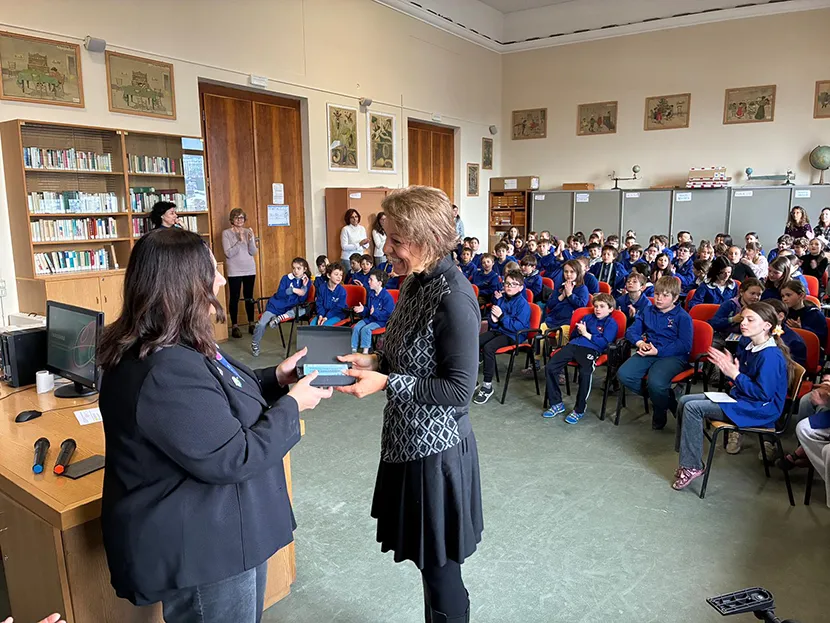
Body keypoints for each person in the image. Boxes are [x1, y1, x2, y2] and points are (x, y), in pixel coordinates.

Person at [97, 228, 331, 622]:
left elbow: (216, 397)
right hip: (206, 549)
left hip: (221, 531)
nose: (222, 280)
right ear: (184, 286)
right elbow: (233, 456)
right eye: (212, 272)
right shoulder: (164, 370)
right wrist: (294, 405)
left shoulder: (175, 344)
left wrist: (277, 378)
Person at [336, 186, 483, 622]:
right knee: (427, 565)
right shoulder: (417, 283)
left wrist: (386, 382)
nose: (387, 248)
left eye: (396, 239)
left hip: (435, 455)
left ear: (427, 240)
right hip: (406, 442)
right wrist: (375, 359)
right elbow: (409, 355)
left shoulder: (455, 300)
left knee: (441, 573)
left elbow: (458, 390)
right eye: (388, 237)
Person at [672, 302, 790, 491]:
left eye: (750, 320)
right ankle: (687, 457)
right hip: (744, 400)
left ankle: (692, 465)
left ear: (767, 325)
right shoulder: (752, 346)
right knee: (685, 401)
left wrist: (734, 374)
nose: (743, 323)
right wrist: (732, 371)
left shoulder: (770, 356)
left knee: (693, 408)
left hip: (760, 409)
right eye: (743, 319)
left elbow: (762, 394)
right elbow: (744, 380)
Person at [617, 276, 693, 430]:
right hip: (648, 350)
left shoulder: (683, 317)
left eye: (665, 295)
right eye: (657, 294)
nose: (659, 298)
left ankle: (660, 409)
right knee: (624, 374)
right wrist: (640, 343)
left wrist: (658, 351)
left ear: (675, 298)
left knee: (656, 383)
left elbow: (684, 344)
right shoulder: (648, 310)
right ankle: (666, 398)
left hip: (673, 356)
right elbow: (632, 331)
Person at [543, 293, 618, 423]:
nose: (597, 309)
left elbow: (605, 343)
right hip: (574, 345)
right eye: (595, 306)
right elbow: (573, 335)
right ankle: (556, 403)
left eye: (602, 306)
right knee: (551, 367)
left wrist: (586, 334)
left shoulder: (611, 323)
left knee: (585, 373)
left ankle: (579, 409)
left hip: (591, 350)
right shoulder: (587, 317)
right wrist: (578, 332)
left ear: (610, 309)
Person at [476, 269, 531, 404]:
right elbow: (494, 320)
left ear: (520, 287)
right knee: (475, 342)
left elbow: (518, 327)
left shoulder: (523, 304)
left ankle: (487, 386)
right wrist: (493, 321)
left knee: (489, 348)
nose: (509, 287)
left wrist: (501, 317)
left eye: (513, 284)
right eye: (507, 283)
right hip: (500, 330)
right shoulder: (502, 299)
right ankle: (472, 379)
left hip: (514, 335)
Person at [251, 257, 310, 357]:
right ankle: (255, 343)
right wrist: (294, 290)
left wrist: (304, 287)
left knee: (302, 310)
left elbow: (302, 299)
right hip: (276, 306)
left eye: (299, 268)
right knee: (261, 324)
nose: (296, 271)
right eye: (294, 268)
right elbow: (280, 294)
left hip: (290, 308)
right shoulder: (285, 278)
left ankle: (278, 319)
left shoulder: (306, 281)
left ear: (305, 269)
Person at [222, 208, 258, 339]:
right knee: (235, 297)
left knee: (249, 296)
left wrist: (251, 239)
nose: (240, 220)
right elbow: (228, 253)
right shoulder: (226, 233)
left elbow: (253, 252)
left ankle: (251, 323)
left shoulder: (248, 231)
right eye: (237, 218)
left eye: (242, 218)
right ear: (232, 220)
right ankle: (235, 326)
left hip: (249, 268)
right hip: (234, 270)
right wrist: (239, 241)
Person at [543, 260, 591, 344]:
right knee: (542, 328)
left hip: (569, 320)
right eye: (566, 271)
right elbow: (549, 305)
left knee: (562, 332)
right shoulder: (560, 286)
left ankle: (560, 354)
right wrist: (561, 296)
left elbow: (581, 305)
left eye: (572, 272)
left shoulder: (582, 288)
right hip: (555, 318)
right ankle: (539, 356)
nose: (568, 274)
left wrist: (570, 294)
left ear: (578, 273)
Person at [350, 269, 395, 353]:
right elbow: (368, 310)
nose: (368, 281)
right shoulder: (371, 294)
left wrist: (375, 312)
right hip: (370, 318)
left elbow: (388, 314)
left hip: (381, 321)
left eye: (371, 279)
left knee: (366, 329)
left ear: (379, 283)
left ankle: (365, 351)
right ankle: (353, 349)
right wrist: (363, 309)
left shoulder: (387, 297)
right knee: (356, 327)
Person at [709, 278, 763, 344]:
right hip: (726, 337)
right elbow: (714, 323)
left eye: (759, 294)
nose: (756, 297)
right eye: (752, 293)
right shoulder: (730, 304)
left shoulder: (761, 309)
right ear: (741, 292)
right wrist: (732, 319)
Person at [781, 280, 828, 347]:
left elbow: (821, 340)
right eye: (783, 296)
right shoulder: (785, 312)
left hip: (807, 350)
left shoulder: (814, 314)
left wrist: (802, 329)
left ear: (801, 296)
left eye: (788, 295)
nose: (784, 299)